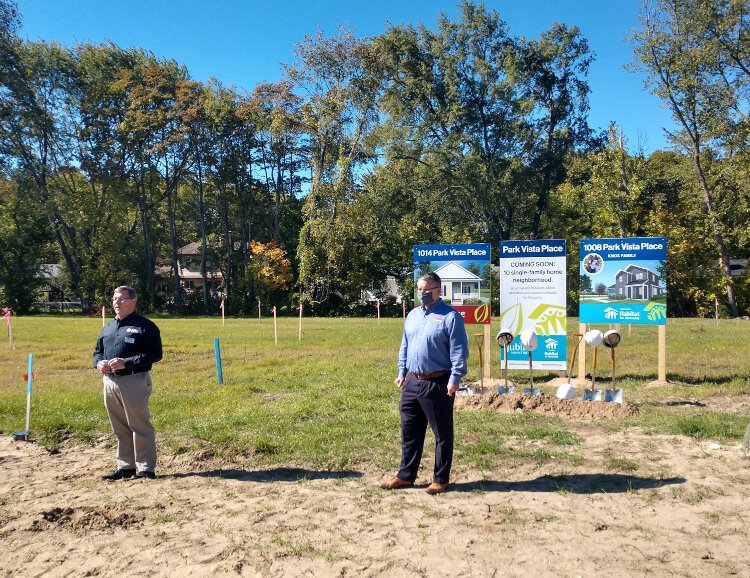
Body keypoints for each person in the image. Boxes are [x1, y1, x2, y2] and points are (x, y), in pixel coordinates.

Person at [381, 271, 469, 494]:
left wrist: (455, 379)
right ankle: (406, 475)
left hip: (438, 383)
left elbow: (459, 351)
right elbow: (405, 345)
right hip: (411, 382)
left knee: (442, 434)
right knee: (410, 431)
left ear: (438, 291)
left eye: (426, 290)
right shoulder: (412, 315)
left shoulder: (451, 317)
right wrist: (402, 371)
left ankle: (440, 479)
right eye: (419, 289)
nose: (422, 293)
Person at [93, 286, 162, 480]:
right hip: (110, 381)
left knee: (139, 425)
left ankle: (146, 468)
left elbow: (155, 354)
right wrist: (98, 363)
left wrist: (127, 362)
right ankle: (126, 466)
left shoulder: (145, 326)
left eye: (121, 299)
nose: (116, 302)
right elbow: (97, 352)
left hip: (134, 381)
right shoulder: (108, 327)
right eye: (115, 299)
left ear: (133, 301)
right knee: (119, 427)